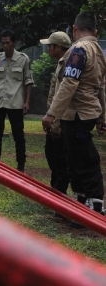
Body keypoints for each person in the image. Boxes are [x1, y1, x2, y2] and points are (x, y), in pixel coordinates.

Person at [42, 12, 106, 226]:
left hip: (76, 114)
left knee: (84, 162)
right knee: (76, 161)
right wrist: (102, 116)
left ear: (74, 28)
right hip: (88, 113)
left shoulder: (79, 50)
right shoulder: (99, 51)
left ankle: (94, 208)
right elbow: (101, 88)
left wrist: (52, 114)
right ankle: (81, 205)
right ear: (95, 31)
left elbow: (69, 83)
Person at [0, 30, 33, 172]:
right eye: (3, 43)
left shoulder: (23, 59)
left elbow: (28, 81)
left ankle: (21, 166)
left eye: (8, 43)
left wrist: (27, 101)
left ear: (14, 43)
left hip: (15, 102)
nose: (5, 45)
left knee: (18, 135)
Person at [40, 32, 72, 197]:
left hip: (59, 122)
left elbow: (63, 97)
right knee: (52, 156)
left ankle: (60, 195)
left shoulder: (68, 64)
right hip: (54, 120)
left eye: (49, 46)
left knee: (60, 161)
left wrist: (56, 125)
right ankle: (55, 193)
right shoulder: (61, 62)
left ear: (58, 47)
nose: (47, 49)